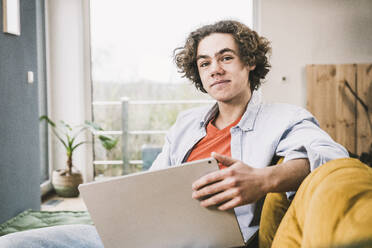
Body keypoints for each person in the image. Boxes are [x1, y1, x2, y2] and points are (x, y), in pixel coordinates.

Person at [0, 20, 348, 248]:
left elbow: (331, 157)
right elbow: (155, 183)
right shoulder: (186, 122)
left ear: (249, 62)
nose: (215, 69)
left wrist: (264, 179)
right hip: (148, 233)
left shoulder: (285, 117)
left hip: (213, 241)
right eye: (205, 63)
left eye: (226, 57)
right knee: (14, 244)